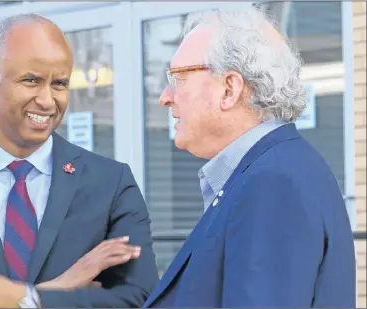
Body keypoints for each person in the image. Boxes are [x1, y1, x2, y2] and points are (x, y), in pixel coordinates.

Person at [0, 14, 159, 308]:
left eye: (59, 84)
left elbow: (141, 300)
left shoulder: (111, 184)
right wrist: (49, 292)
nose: (47, 100)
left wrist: (26, 299)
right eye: (31, 80)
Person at [143, 7, 356, 308]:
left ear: (229, 89)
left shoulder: (272, 183)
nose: (165, 96)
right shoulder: (273, 170)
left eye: (178, 78)